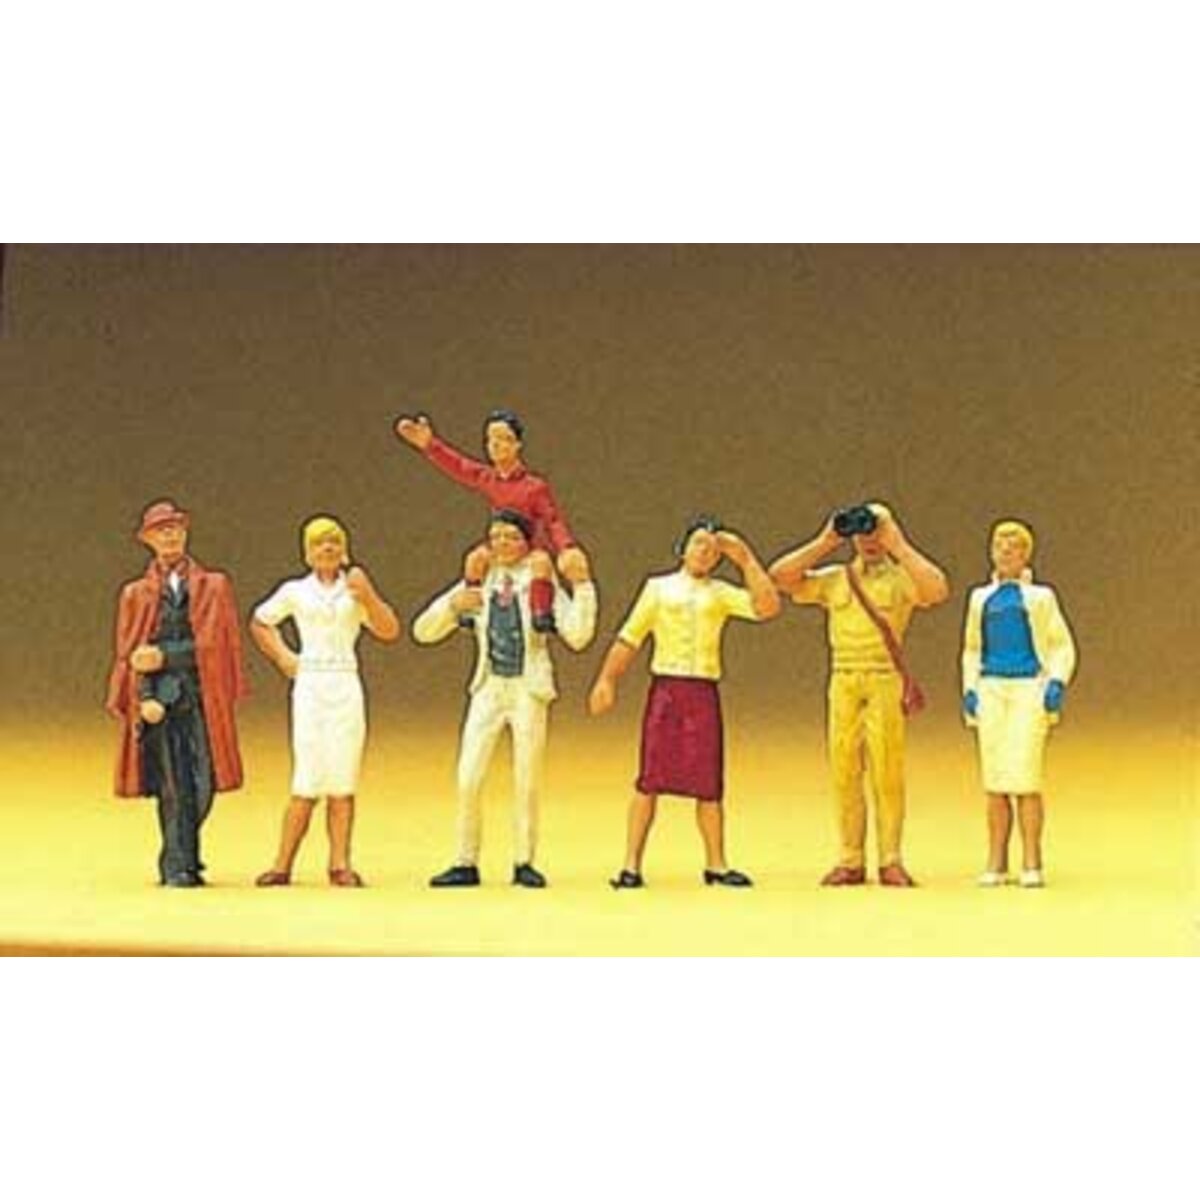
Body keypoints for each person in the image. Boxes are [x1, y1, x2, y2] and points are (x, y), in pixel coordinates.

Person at [588, 517, 780, 889]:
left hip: (703, 693)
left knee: (709, 784)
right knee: (648, 780)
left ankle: (717, 864)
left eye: (712, 547)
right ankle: (630, 865)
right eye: (698, 543)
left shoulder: (721, 594)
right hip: (666, 692)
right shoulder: (658, 589)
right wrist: (607, 679)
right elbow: (630, 637)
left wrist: (746, 559)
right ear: (683, 548)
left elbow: (767, 607)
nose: (704, 551)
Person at [412, 508, 597, 888]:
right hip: (490, 685)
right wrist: (452, 606)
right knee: (468, 776)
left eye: (511, 537)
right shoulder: (481, 579)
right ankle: (465, 859)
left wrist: (583, 587)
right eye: (496, 537)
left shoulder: (541, 580)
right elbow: (423, 632)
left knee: (526, 778)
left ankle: (524, 860)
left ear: (527, 542)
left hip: (527, 687)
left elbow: (578, 635)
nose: (502, 544)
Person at [769, 503, 949, 887]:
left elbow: (936, 589)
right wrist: (826, 540)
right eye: (862, 531)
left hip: (884, 679)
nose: (868, 539)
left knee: (888, 770)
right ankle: (850, 858)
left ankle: (890, 859)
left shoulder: (902, 579)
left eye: (874, 530)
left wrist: (898, 543)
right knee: (844, 770)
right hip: (844, 679)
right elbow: (781, 578)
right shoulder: (837, 579)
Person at [250, 516, 401, 888]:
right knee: (306, 778)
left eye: (334, 542)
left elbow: (389, 630)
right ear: (308, 552)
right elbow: (261, 621)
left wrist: (368, 595)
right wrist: (284, 656)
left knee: (342, 779)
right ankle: (282, 864)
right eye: (319, 543)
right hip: (311, 682)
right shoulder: (295, 591)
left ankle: (340, 863)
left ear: (344, 550)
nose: (327, 549)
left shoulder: (354, 591)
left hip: (345, 682)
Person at [104, 500, 246, 887]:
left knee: (203, 782)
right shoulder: (135, 594)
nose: (170, 535)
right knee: (172, 783)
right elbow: (132, 654)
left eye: (176, 528)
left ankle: (181, 856)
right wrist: (144, 697)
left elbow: (216, 645)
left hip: (201, 695)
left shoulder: (213, 586)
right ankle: (179, 865)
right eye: (161, 530)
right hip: (160, 701)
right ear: (148, 539)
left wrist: (166, 655)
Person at [393, 408, 590, 631]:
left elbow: (553, 520)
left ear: (517, 444)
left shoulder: (534, 487)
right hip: (498, 546)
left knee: (541, 564)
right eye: (490, 439)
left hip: (528, 548)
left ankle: (541, 612)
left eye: (503, 439)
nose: (495, 445)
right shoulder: (487, 478)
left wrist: (566, 547)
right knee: (474, 559)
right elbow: (459, 466)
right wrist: (430, 445)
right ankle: (470, 609)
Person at [961, 520, 1077, 887]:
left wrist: (1056, 681)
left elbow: (1060, 644)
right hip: (993, 689)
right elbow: (972, 648)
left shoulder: (1041, 598)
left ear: (1026, 554)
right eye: (999, 546)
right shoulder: (980, 598)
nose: (1005, 553)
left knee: (1026, 777)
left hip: (1028, 689)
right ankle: (996, 860)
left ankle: (1031, 859)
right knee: (995, 779)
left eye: (1013, 548)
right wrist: (970, 687)